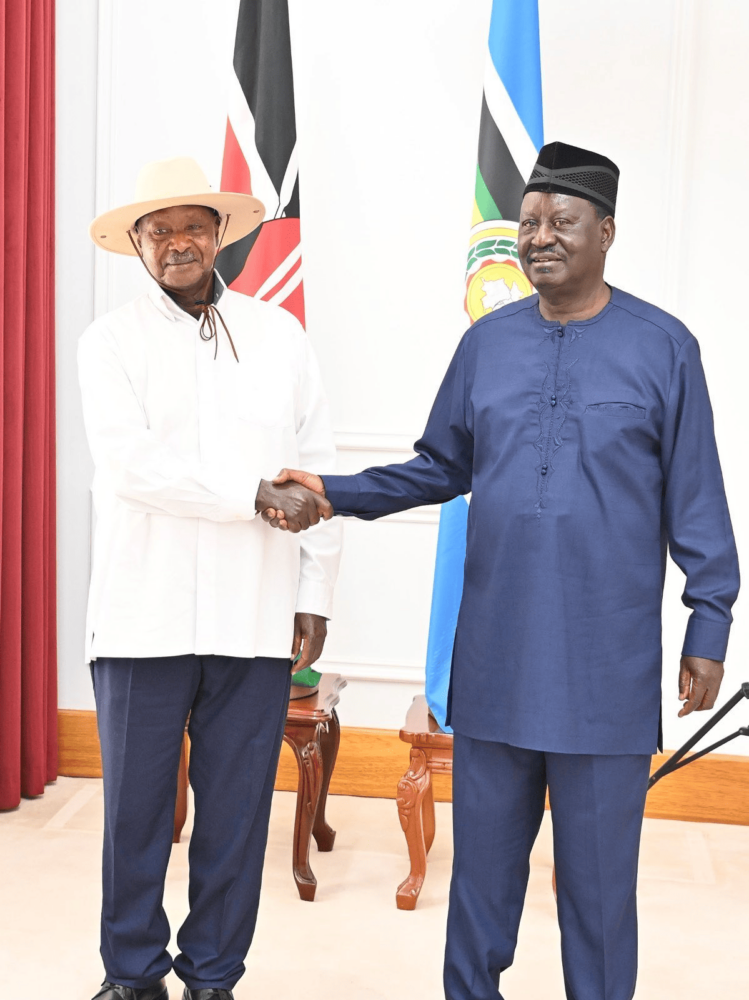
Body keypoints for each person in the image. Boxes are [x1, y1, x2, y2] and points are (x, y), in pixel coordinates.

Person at [260, 142, 740, 1000]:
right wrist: (329, 491)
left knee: (596, 895)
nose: (539, 237)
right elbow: (434, 467)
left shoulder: (664, 347)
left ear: (606, 232)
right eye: (526, 222)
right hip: (496, 662)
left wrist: (709, 623)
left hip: (605, 670)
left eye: (561, 221)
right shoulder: (486, 345)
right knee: (481, 883)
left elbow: (696, 497)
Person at [80, 157, 341, 1000]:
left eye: (194, 225)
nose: (179, 242)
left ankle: (214, 977)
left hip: (253, 612)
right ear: (138, 247)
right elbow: (131, 467)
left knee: (233, 818)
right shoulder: (109, 342)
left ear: (221, 235)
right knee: (136, 818)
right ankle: (131, 977)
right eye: (159, 231)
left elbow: (316, 471)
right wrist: (248, 496)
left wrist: (314, 593)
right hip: (140, 616)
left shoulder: (280, 337)